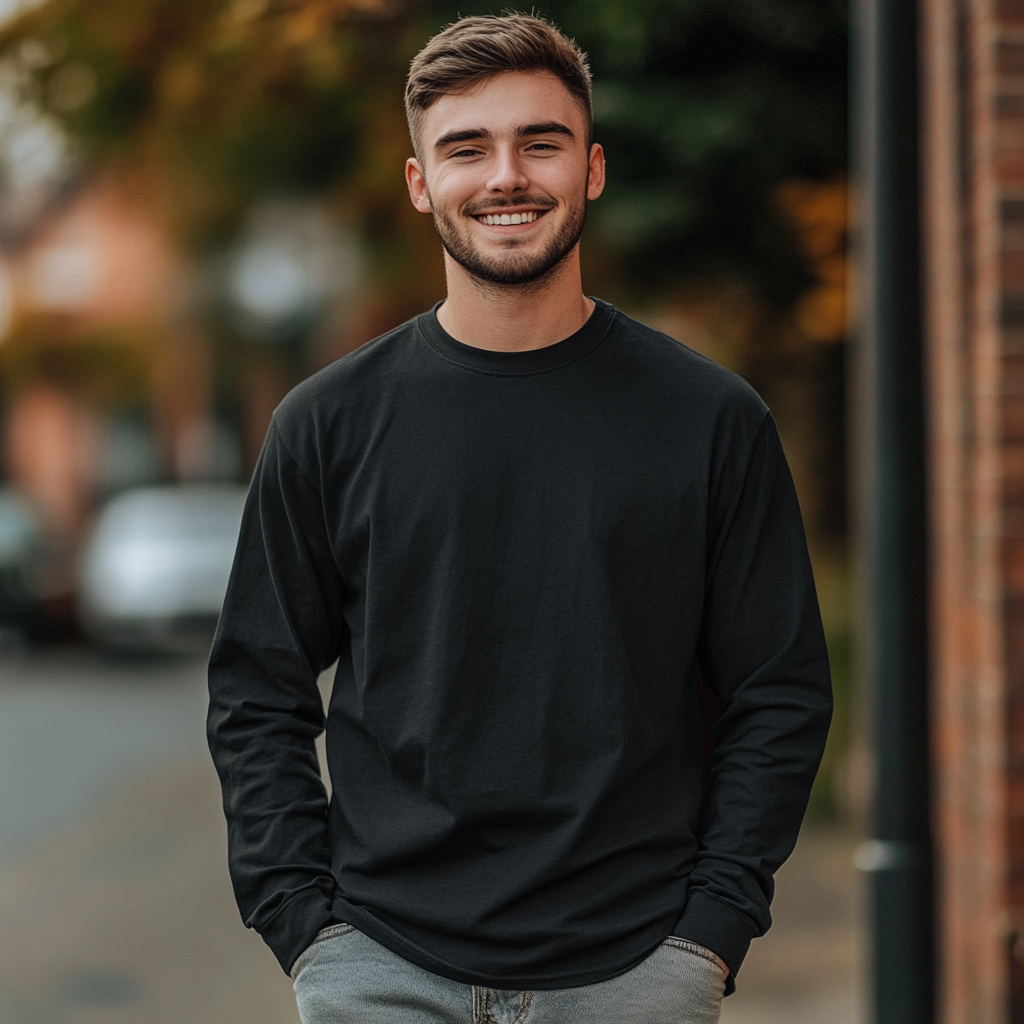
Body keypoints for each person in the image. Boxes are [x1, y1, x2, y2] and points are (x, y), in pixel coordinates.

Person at [207, 13, 832, 1024]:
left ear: (589, 169)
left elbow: (780, 690)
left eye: (539, 142)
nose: (506, 175)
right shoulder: (327, 424)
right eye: (466, 148)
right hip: (382, 964)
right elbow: (256, 685)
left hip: (634, 969)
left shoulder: (710, 419)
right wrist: (303, 924)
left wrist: (708, 935)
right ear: (422, 184)